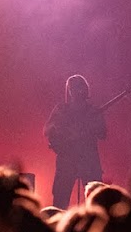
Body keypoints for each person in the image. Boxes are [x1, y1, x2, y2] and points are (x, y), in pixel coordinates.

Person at [45, 75, 106, 208]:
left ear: (84, 89)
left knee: (96, 198)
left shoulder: (92, 111)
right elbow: (48, 130)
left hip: (88, 159)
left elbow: (102, 133)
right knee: (60, 199)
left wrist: (90, 127)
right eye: (72, 88)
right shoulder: (61, 109)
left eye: (78, 87)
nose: (75, 91)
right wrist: (64, 133)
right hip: (67, 160)